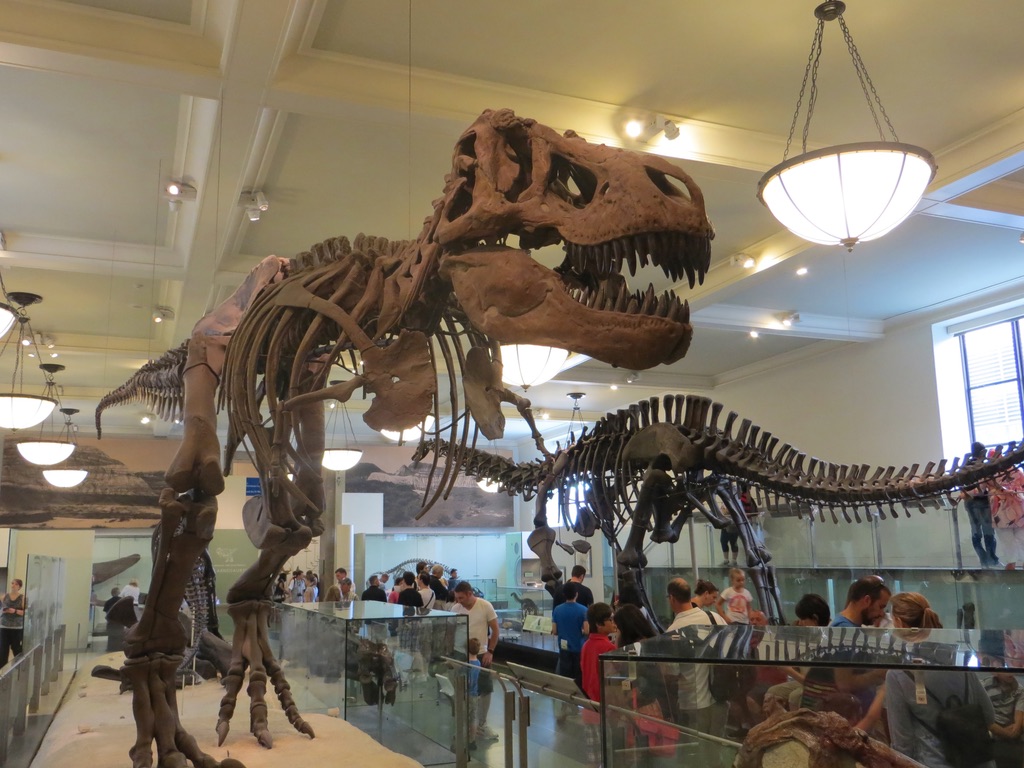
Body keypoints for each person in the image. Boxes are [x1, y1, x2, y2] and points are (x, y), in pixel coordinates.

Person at [885, 592, 996, 768]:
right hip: (979, 761)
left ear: (898, 623)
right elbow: (989, 715)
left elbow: (902, 744)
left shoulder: (899, 674)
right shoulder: (957, 657)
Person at [664, 578, 717, 734]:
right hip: (716, 697)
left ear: (672, 598)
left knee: (695, 750)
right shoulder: (713, 618)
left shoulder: (674, 631)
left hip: (690, 701)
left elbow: (672, 672)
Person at [452, 581, 500, 741]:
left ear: (469, 594)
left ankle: (482, 724)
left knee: (485, 688)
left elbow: (495, 630)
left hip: (480, 654)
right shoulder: (455, 609)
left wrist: (490, 651)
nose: (459, 601)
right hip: (460, 654)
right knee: (461, 689)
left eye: (461, 598)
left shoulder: (485, 606)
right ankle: (464, 724)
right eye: (457, 598)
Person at [580, 602, 617, 767]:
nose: (613, 622)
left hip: (588, 708)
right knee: (609, 756)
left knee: (593, 758)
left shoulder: (586, 645)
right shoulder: (608, 648)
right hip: (605, 710)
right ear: (599, 624)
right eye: (610, 619)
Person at [962, 442, 1000, 567]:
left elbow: (962, 485)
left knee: (976, 532)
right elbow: (983, 487)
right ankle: (991, 560)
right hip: (981, 503)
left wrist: (967, 494)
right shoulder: (982, 467)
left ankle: (985, 561)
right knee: (988, 532)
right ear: (982, 452)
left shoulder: (964, 467)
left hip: (970, 502)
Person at [551, 582, 589, 700]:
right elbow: (587, 630)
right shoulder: (583, 610)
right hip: (578, 647)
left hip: (564, 648)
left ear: (564, 594)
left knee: (565, 674)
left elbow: (554, 630)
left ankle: (566, 700)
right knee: (578, 675)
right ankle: (578, 698)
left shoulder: (557, 609)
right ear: (576, 594)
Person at [983, 669, 1024, 768]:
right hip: (991, 728)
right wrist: (1003, 733)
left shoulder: (1019, 689)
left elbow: (1019, 714)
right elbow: (985, 717)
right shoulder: (984, 687)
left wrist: (1015, 729)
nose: (1010, 672)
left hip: (1010, 729)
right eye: (1005, 669)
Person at [988, 466, 1024, 569]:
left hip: (1015, 506)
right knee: (1008, 537)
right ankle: (1012, 562)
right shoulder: (991, 472)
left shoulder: (1018, 471)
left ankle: (1013, 562)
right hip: (1001, 507)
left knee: (1018, 536)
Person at [1, 578, 26, 665]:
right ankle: (2, 672)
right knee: (3, 650)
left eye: (15, 584)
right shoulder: (4, 596)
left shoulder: (22, 598)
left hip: (16, 627)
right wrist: (4, 610)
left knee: (16, 649)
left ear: (19, 586)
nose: (13, 585)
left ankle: (19, 669)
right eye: (12, 583)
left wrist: (14, 611)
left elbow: (25, 613)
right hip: (4, 626)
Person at [466, 637, 483, 751]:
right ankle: (472, 740)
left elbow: (468, 682)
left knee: (463, 717)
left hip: (467, 695)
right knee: (473, 719)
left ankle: (461, 739)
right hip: (475, 695)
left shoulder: (467, 665)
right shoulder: (478, 663)